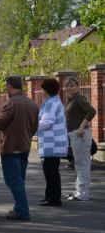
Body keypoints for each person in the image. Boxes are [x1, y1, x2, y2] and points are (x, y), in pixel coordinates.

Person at [0, 76, 39, 221]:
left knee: (13, 180)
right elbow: (35, 126)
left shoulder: (11, 103)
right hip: (25, 146)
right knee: (19, 179)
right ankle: (19, 208)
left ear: (9, 86)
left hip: (11, 146)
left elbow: (0, 124)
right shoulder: (31, 103)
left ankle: (22, 210)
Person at [36, 78, 69, 207]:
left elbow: (46, 122)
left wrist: (32, 125)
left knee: (51, 172)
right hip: (52, 142)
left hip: (52, 143)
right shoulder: (52, 102)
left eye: (42, 88)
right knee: (49, 171)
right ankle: (49, 196)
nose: (41, 91)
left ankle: (54, 199)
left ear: (46, 90)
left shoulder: (51, 103)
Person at [63, 76, 96, 201]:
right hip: (75, 134)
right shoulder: (71, 100)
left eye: (72, 85)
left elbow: (92, 111)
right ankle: (78, 191)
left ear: (77, 86)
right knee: (79, 164)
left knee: (82, 164)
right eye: (67, 86)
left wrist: (82, 127)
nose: (69, 88)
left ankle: (83, 193)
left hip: (80, 134)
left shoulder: (79, 99)